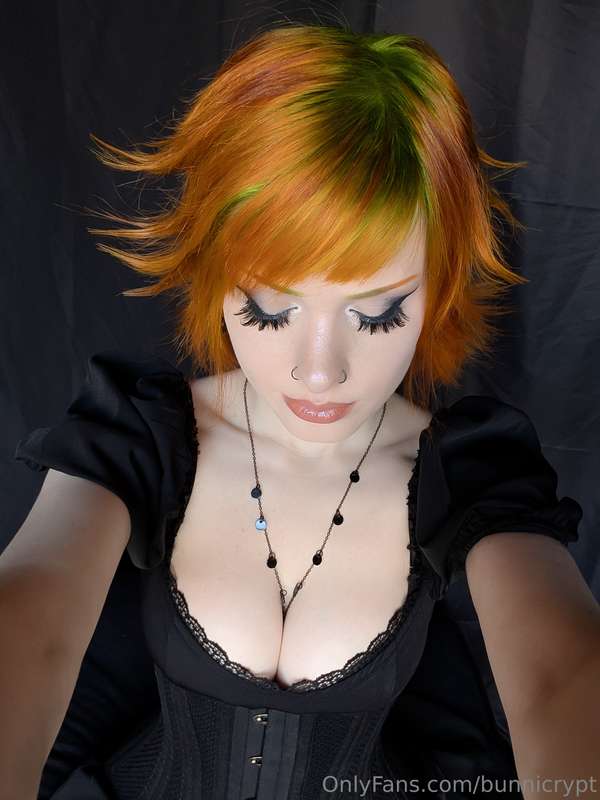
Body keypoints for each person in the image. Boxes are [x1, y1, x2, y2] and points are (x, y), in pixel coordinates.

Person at [4, 22, 599, 800]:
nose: (320, 371)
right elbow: (33, 612)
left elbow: (561, 671)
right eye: (270, 310)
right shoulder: (135, 436)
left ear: (438, 287)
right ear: (215, 273)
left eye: (378, 314)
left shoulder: (473, 471)